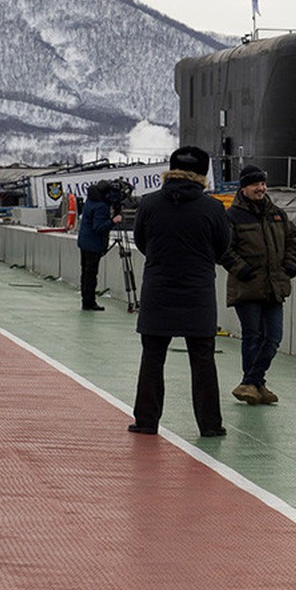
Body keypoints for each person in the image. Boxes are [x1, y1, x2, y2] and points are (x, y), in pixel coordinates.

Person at [128, 146, 231, 438]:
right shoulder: (212, 208)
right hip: (197, 293)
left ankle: (146, 421)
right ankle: (210, 425)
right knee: (202, 360)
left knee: (152, 357)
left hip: (158, 290)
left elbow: (142, 242)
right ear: (202, 173)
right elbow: (223, 247)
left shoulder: (149, 204)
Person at [221, 165, 296, 405]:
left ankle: (252, 382)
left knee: (274, 337)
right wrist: (242, 269)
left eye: (263, 184)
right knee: (253, 336)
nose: (261, 188)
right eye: (256, 184)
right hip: (247, 286)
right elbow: (224, 248)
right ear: (244, 187)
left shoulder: (277, 213)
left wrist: (289, 265)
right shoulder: (232, 216)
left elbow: (292, 240)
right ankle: (255, 384)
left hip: (274, 285)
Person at [76, 180, 122, 311]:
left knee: (85, 273)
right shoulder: (101, 206)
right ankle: (89, 302)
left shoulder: (90, 200)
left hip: (84, 242)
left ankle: (86, 300)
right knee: (91, 274)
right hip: (93, 245)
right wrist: (113, 221)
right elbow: (99, 227)